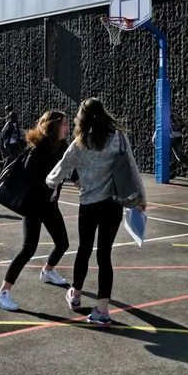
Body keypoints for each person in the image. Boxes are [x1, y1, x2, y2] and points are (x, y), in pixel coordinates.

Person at [46, 98, 146, 327]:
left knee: (84, 250)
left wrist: (49, 182)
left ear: (81, 119)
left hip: (89, 205)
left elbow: (60, 169)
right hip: (113, 204)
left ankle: (76, 294)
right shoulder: (118, 138)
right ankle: (102, 310)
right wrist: (141, 197)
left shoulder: (80, 143)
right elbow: (131, 166)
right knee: (104, 256)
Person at [0, 110, 72, 312]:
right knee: (28, 249)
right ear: (54, 126)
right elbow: (30, 173)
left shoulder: (61, 145)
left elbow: (69, 165)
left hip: (49, 204)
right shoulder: (41, 147)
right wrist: (49, 182)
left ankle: (47, 271)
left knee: (63, 243)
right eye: (64, 123)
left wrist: (78, 180)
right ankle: (2, 294)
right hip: (35, 206)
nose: (67, 127)